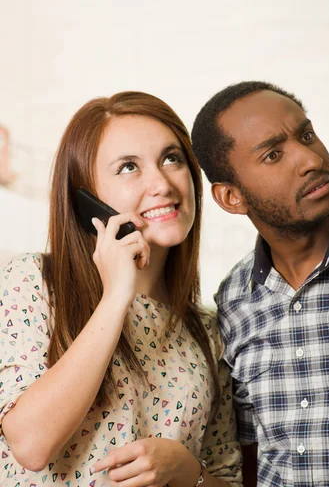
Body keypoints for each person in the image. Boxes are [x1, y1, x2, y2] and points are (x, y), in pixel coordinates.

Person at [0, 91, 242, 487]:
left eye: (171, 158)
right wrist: (116, 296)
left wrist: (187, 471)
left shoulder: (207, 331)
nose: (161, 183)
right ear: (86, 199)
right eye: (129, 167)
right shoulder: (33, 283)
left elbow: (228, 478)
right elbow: (30, 444)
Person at [191, 80, 329, 487]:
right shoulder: (234, 299)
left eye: (306, 135)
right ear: (232, 197)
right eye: (273, 154)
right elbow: (249, 452)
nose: (310, 158)